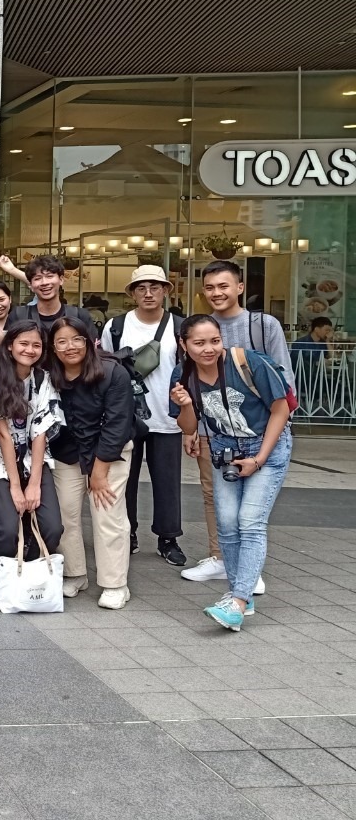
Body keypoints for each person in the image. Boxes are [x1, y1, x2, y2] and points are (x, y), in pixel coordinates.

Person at [170, 315, 292, 631]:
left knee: (250, 522)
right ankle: (242, 597)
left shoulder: (248, 363)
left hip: (266, 446)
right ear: (184, 344)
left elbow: (281, 409)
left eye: (214, 341)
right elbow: (188, 425)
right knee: (226, 523)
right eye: (199, 343)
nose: (208, 349)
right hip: (225, 449)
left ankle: (237, 601)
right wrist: (185, 405)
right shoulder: (182, 374)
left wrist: (259, 459)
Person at [181, 260, 290, 590]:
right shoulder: (199, 327)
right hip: (216, 434)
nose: (217, 293)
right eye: (210, 287)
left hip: (260, 430)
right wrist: (193, 430)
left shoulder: (263, 325)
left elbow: (284, 381)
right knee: (217, 501)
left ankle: (247, 573)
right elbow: (192, 387)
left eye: (224, 286)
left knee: (249, 514)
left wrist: (278, 431)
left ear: (240, 287)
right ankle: (221, 558)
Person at [0, 320, 65, 608]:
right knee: (7, 527)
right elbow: (1, 434)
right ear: (10, 346)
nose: (30, 350)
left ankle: (27, 576)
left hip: (33, 456)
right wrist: (16, 486)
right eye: (23, 343)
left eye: (36, 345)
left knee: (52, 527)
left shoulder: (44, 379)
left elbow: (40, 432)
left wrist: (34, 483)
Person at [100, 264, 186, 565]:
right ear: (133, 294)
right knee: (125, 479)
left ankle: (168, 537)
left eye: (155, 287)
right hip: (126, 417)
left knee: (168, 481)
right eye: (141, 288)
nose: (148, 293)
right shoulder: (116, 326)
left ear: (165, 291)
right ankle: (128, 533)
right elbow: (105, 367)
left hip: (168, 415)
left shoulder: (179, 327)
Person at [48, 317, 134, 609]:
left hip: (110, 451)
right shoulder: (49, 374)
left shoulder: (113, 372)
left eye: (77, 339)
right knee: (65, 513)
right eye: (61, 341)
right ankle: (75, 574)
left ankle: (115, 584)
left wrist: (99, 471)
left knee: (107, 515)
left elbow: (117, 424)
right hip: (67, 451)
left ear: (90, 342)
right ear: (53, 347)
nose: (70, 346)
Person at [4, 254, 98, 337]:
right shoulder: (18, 316)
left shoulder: (80, 316)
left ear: (61, 280)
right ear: (31, 286)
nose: (44, 282)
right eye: (38, 278)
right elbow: (7, 348)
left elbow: (94, 349)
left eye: (49, 276)